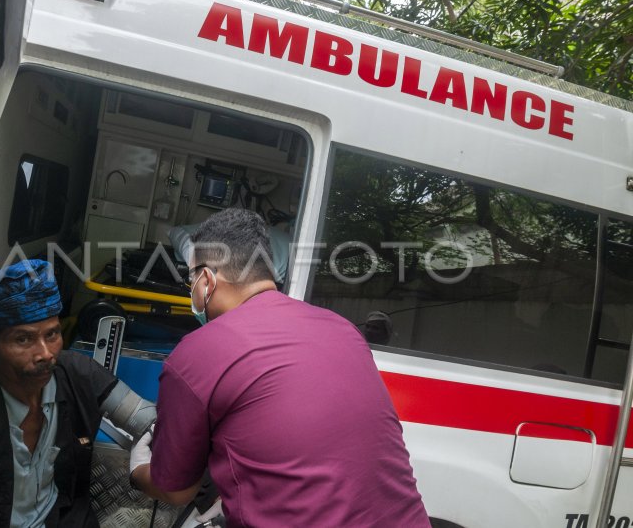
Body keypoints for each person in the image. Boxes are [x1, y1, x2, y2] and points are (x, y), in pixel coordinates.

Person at [129, 209, 430, 527]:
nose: (192, 290)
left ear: (206, 280)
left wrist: (138, 471)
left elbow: (175, 491)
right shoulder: (339, 327)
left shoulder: (196, 353)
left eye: (191, 278)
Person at [0, 259, 154, 528]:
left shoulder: (77, 372)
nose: (46, 354)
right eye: (23, 339)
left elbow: (149, 419)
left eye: (52, 335)